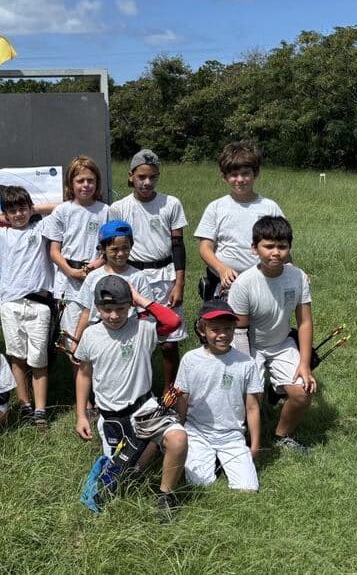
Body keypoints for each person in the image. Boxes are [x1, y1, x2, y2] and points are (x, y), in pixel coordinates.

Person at [73, 275, 187, 515]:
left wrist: (140, 299)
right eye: (107, 309)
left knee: (178, 439)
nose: (114, 315)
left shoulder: (144, 328)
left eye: (121, 308)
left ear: (130, 306)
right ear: (97, 307)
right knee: (117, 480)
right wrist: (81, 415)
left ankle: (165, 496)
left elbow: (173, 321)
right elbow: (84, 375)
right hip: (111, 416)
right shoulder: (91, 335)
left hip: (146, 409)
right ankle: (139, 464)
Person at [0, 185, 55, 429]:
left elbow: (63, 208)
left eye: (22, 209)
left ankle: (40, 410)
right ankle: (25, 405)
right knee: (17, 357)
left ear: (30, 209)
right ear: (6, 214)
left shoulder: (41, 229)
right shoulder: (0, 235)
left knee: (39, 360)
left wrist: (34, 209)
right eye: (12, 211)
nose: (18, 215)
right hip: (11, 304)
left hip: (39, 304)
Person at [227, 215, 315, 453]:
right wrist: (246, 370)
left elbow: (304, 322)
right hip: (250, 346)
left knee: (302, 394)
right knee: (247, 399)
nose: (276, 252)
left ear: (289, 248)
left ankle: (282, 435)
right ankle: (244, 437)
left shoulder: (297, 277)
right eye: (268, 246)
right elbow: (240, 331)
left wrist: (304, 364)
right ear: (254, 249)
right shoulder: (244, 283)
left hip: (282, 343)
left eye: (282, 246)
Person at [109, 149, 188, 388]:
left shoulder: (170, 203)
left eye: (153, 177)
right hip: (132, 274)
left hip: (164, 274)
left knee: (168, 340)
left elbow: (178, 244)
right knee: (135, 336)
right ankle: (137, 388)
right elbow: (113, 247)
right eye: (142, 176)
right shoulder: (119, 208)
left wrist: (179, 282)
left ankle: (169, 390)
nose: (147, 182)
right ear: (131, 175)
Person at [175, 299, 262, 492]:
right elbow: (182, 399)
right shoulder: (190, 359)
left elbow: (252, 406)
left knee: (248, 488)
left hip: (232, 434)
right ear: (202, 329)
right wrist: (178, 431)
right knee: (200, 484)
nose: (222, 335)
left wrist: (254, 445)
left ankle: (226, 461)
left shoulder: (246, 363)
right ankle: (210, 461)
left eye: (228, 329)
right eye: (215, 329)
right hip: (197, 432)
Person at [195, 141, 284, 298]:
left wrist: (292, 269)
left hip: (263, 281)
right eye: (234, 175)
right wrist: (221, 269)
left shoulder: (269, 207)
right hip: (224, 283)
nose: (240, 179)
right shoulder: (216, 207)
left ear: (255, 173)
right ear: (224, 177)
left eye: (245, 173)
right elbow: (205, 248)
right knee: (225, 323)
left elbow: (282, 245)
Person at [42, 155, 108, 354]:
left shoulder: (106, 210)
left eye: (90, 180)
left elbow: (109, 248)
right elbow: (54, 251)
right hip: (69, 280)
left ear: (97, 183)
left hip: (97, 274)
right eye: (80, 181)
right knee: (72, 340)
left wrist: (92, 267)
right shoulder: (62, 211)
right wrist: (71, 271)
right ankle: (78, 378)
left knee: (97, 333)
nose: (86, 185)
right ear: (71, 184)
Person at [70, 220, 155, 348]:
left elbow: (145, 313)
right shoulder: (93, 277)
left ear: (131, 246)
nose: (120, 254)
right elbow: (87, 311)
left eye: (125, 248)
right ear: (103, 249)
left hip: (128, 337)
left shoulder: (138, 277)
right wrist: (76, 341)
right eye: (114, 249)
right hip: (98, 336)